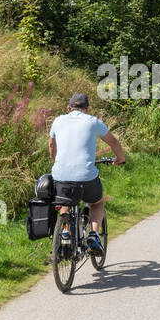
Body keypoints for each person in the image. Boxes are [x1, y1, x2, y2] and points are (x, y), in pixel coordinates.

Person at [48, 92, 125, 254]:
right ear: (87, 109)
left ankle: (65, 231)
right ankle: (94, 235)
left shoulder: (58, 120)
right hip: (86, 177)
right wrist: (119, 158)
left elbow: (51, 145)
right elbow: (113, 142)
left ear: (68, 108)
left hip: (61, 175)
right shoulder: (93, 122)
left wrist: (55, 161)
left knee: (65, 201)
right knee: (97, 203)